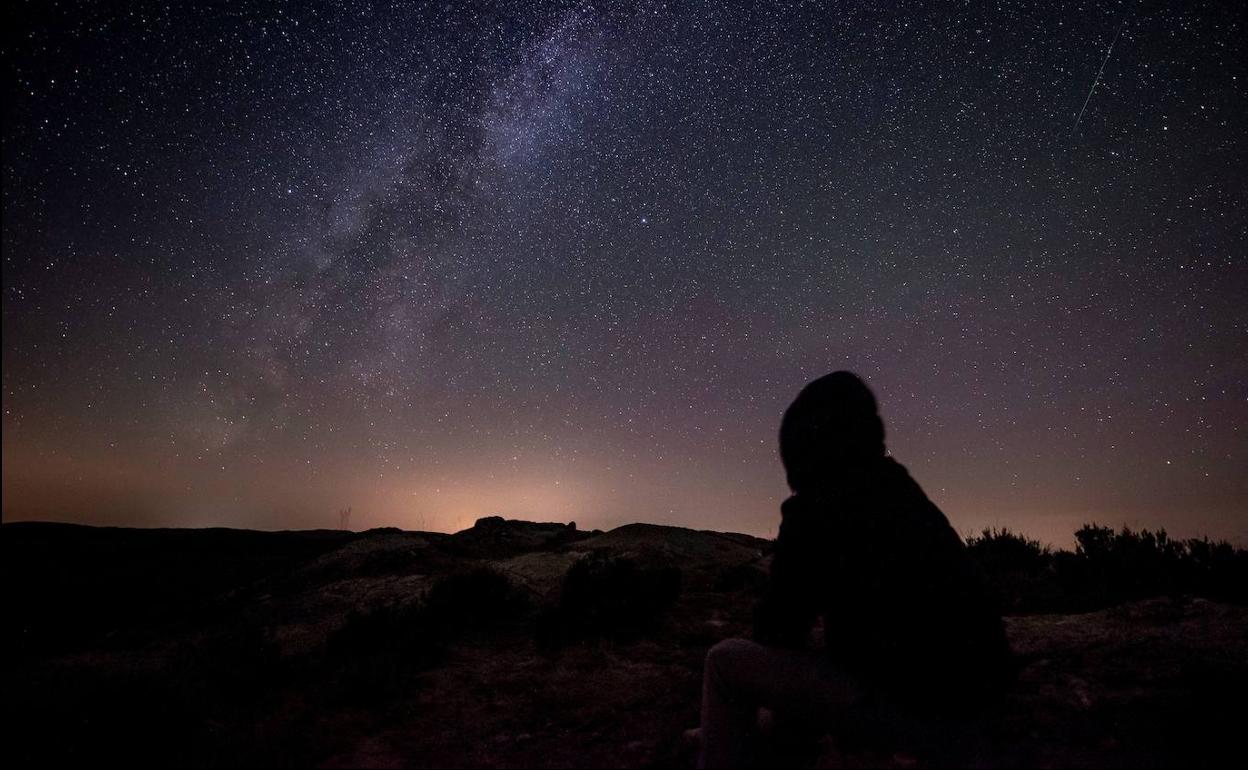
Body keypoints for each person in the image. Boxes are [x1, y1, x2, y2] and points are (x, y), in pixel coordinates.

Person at [698, 371, 1014, 769]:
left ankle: (728, 746)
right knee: (813, 654)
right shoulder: (898, 487)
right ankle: (783, 740)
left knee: (724, 662)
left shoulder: (816, 508)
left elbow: (777, 627)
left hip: (921, 716)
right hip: (976, 702)